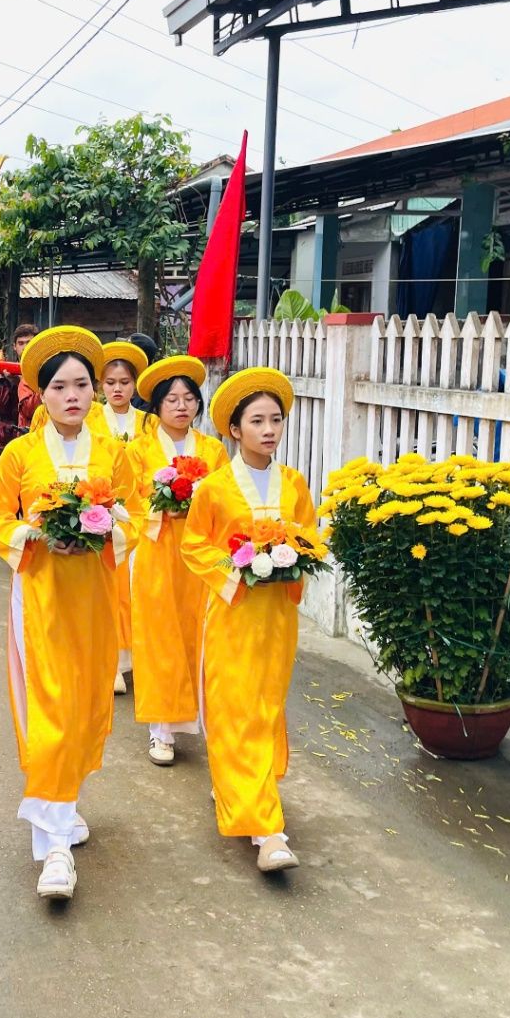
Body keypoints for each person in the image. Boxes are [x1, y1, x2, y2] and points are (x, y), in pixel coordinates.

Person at [0, 327, 135, 901]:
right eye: (60, 386)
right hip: (40, 599)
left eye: (83, 386)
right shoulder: (21, 454)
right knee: (49, 712)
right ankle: (54, 850)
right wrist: (37, 533)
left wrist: (104, 532)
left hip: (93, 600)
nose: (74, 395)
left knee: (85, 704)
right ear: (40, 395)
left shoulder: (113, 453)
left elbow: (134, 514)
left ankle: (64, 806)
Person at [181, 367, 314, 874]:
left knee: (266, 706)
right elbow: (194, 545)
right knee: (235, 708)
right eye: (256, 421)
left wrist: (293, 558)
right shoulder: (214, 488)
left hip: (277, 616)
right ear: (233, 430)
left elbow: (308, 535)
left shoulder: (294, 483)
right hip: (233, 613)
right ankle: (268, 831)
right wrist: (235, 571)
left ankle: (243, 789)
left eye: (275, 419)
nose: (269, 429)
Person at [129, 356, 229, 765]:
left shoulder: (214, 450)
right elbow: (129, 502)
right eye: (172, 399)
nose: (182, 406)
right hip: (157, 552)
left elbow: (227, 499)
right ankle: (162, 731)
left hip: (201, 555)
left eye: (189, 398)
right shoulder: (139, 451)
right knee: (161, 638)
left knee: (202, 636)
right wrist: (160, 511)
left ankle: (207, 722)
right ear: (156, 407)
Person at [97, 341, 149, 695]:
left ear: (135, 384)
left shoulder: (149, 422)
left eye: (125, 382)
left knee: (135, 589)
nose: (117, 389)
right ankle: (110, 660)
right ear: (101, 384)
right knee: (107, 590)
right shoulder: (87, 418)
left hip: (138, 513)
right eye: (111, 382)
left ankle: (133, 658)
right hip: (101, 511)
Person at [0, 323, 37, 462]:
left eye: (29, 342)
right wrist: (4, 381)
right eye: (21, 343)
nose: (25, 347)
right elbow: (1, 407)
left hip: (33, 431)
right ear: (14, 347)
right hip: (7, 432)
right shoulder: (7, 371)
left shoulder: (43, 371)